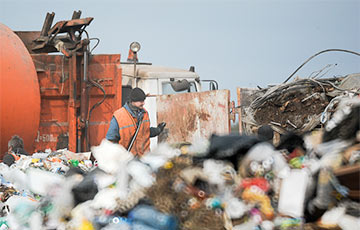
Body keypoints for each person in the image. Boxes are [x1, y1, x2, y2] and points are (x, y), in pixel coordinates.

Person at [106, 87, 166, 157]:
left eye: (143, 100)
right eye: (140, 101)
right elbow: (111, 140)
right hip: (127, 160)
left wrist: (158, 130)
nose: (143, 103)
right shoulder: (119, 116)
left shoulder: (145, 113)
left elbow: (144, 132)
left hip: (144, 158)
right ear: (132, 101)